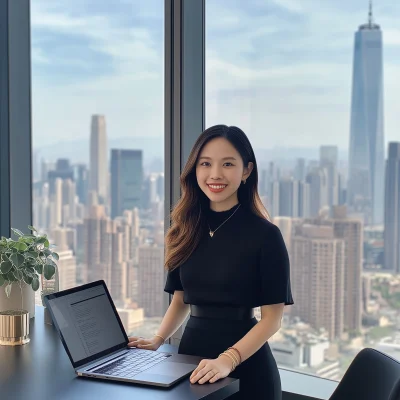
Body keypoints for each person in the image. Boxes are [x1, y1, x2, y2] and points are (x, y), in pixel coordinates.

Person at [128, 125, 293, 399]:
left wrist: (228, 359)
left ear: (246, 171)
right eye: (206, 164)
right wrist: (158, 339)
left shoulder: (266, 235)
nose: (215, 174)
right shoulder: (184, 230)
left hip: (247, 368)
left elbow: (272, 320)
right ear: (195, 170)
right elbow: (180, 300)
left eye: (228, 164)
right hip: (191, 360)